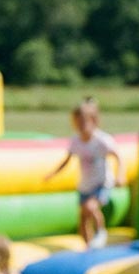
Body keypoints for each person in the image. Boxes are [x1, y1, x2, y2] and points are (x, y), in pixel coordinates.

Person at [43, 97, 124, 248]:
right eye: (77, 123)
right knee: (83, 219)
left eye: (84, 122)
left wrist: (120, 174)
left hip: (102, 182)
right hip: (85, 185)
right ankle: (88, 248)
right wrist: (53, 174)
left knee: (91, 207)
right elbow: (67, 160)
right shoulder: (76, 140)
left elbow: (118, 156)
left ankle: (101, 231)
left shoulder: (102, 140)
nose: (81, 126)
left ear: (94, 121)